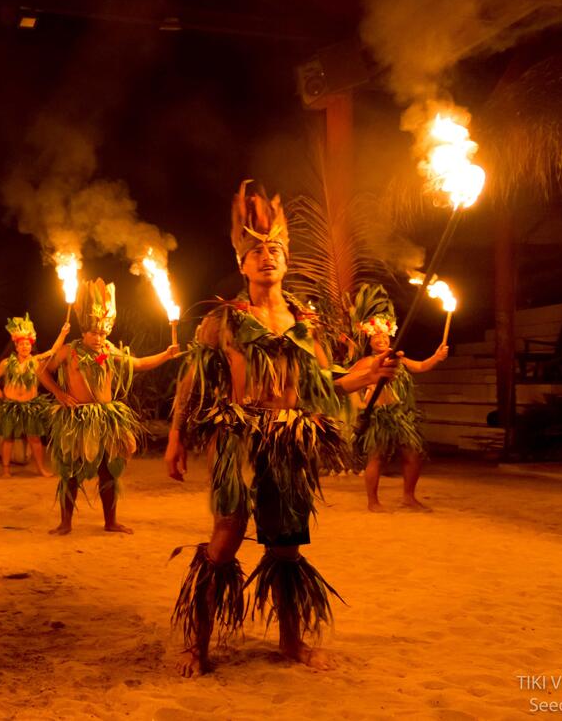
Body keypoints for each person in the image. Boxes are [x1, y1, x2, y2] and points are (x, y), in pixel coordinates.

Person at [165, 181, 400, 675]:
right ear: (242, 264)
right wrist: (175, 439)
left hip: (290, 438)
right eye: (256, 252)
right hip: (238, 437)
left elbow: (325, 383)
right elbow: (190, 383)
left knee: (287, 546)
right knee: (225, 538)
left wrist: (369, 375)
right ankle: (197, 645)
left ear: (286, 260)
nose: (266, 257)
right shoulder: (224, 321)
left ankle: (291, 642)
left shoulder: (305, 323)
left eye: (274, 250)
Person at [39, 278, 179, 535]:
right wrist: (59, 393)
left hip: (105, 418)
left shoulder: (110, 351)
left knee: (108, 472)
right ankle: (65, 523)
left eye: (103, 333)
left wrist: (166, 355)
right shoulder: (69, 351)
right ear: (84, 331)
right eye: (94, 333)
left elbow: (138, 364)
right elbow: (42, 371)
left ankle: (110, 522)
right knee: (71, 472)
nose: (99, 338)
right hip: (77, 418)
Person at [348, 284, 448, 512]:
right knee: (376, 458)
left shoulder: (398, 359)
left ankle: (408, 497)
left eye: (384, 336)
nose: (381, 339)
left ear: (390, 338)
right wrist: (360, 405)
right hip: (379, 416)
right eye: (376, 337)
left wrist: (437, 356)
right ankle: (373, 502)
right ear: (370, 341)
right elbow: (349, 384)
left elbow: (421, 366)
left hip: (401, 416)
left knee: (413, 454)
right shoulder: (366, 362)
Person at [0, 314, 69, 477]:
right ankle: (6, 470)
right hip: (10, 405)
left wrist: (63, 333)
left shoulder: (35, 361)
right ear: (16, 346)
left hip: (30, 406)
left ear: (31, 346)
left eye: (27, 344)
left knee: (34, 439)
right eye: (21, 344)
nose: (25, 347)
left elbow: (54, 350)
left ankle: (41, 469)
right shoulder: (7, 363)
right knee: (8, 438)